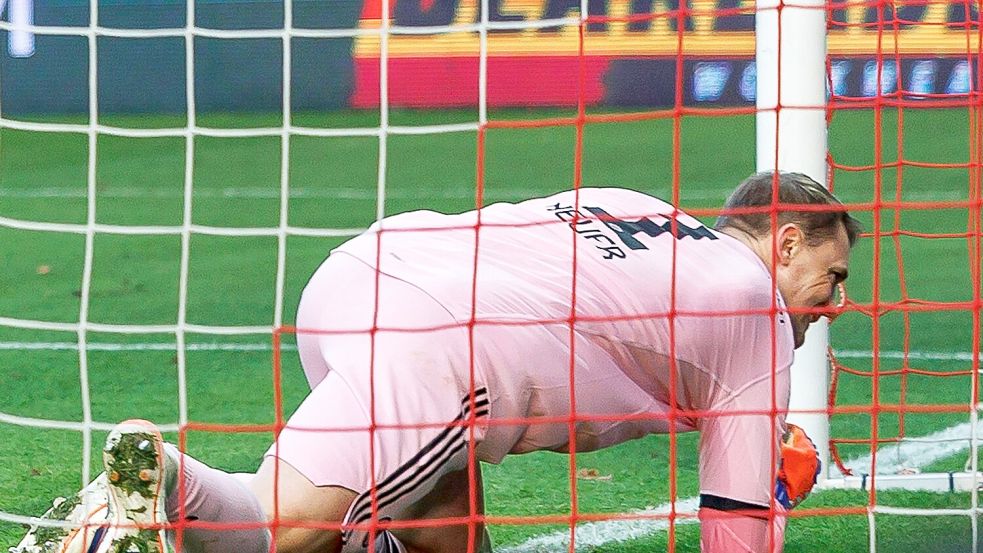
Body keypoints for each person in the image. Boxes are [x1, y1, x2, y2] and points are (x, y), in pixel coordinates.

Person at [14, 171, 859, 553]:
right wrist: (769, 484)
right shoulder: (752, 299)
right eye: (832, 276)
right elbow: (736, 531)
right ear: (782, 244)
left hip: (359, 271)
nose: (837, 302)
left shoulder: (637, 207)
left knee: (437, 528)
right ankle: (164, 488)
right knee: (282, 529)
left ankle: (166, 489)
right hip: (445, 346)